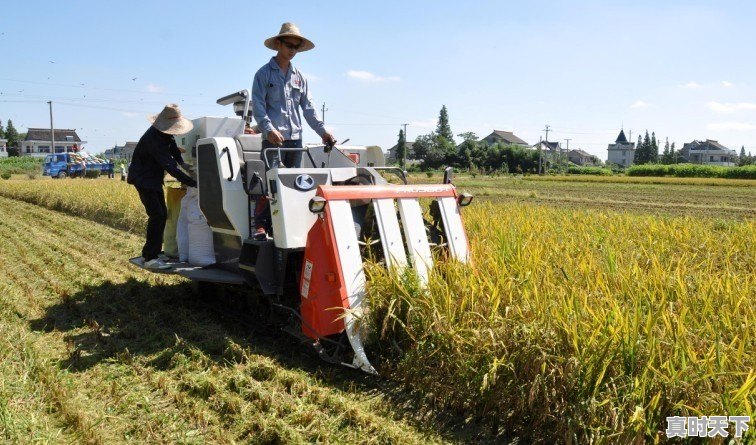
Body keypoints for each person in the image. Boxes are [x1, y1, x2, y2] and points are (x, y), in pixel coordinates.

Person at [251, 22, 336, 240]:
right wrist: (268, 129)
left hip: (295, 141)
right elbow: (258, 107)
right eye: (289, 45)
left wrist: (323, 132)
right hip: (273, 141)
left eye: (296, 47)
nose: (293, 50)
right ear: (278, 44)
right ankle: (260, 227)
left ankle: (290, 226)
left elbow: (309, 108)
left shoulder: (300, 77)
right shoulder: (263, 74)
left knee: (295, 185)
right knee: (271, 183)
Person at [128, 104, 197, 270]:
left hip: (153, 179)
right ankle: (150, 257)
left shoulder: (165, 134)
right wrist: (193, 183)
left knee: (162, 214)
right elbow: (170, 166)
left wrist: (184, 164)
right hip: (144, 179)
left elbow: (173, 149)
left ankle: (155, 252)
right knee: (157, 215)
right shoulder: (153, 139)